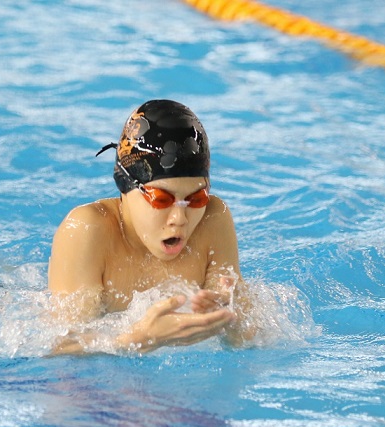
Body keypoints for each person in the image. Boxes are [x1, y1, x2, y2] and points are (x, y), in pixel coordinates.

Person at [48, 99, 252, 355]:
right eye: (162, 199)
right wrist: (140, 339)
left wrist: (229, 318)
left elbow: (250, 340)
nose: (180, 217)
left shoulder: (213, 220)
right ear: (125, 186)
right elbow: (59, 350)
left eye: (196, 198)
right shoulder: (88, 230)